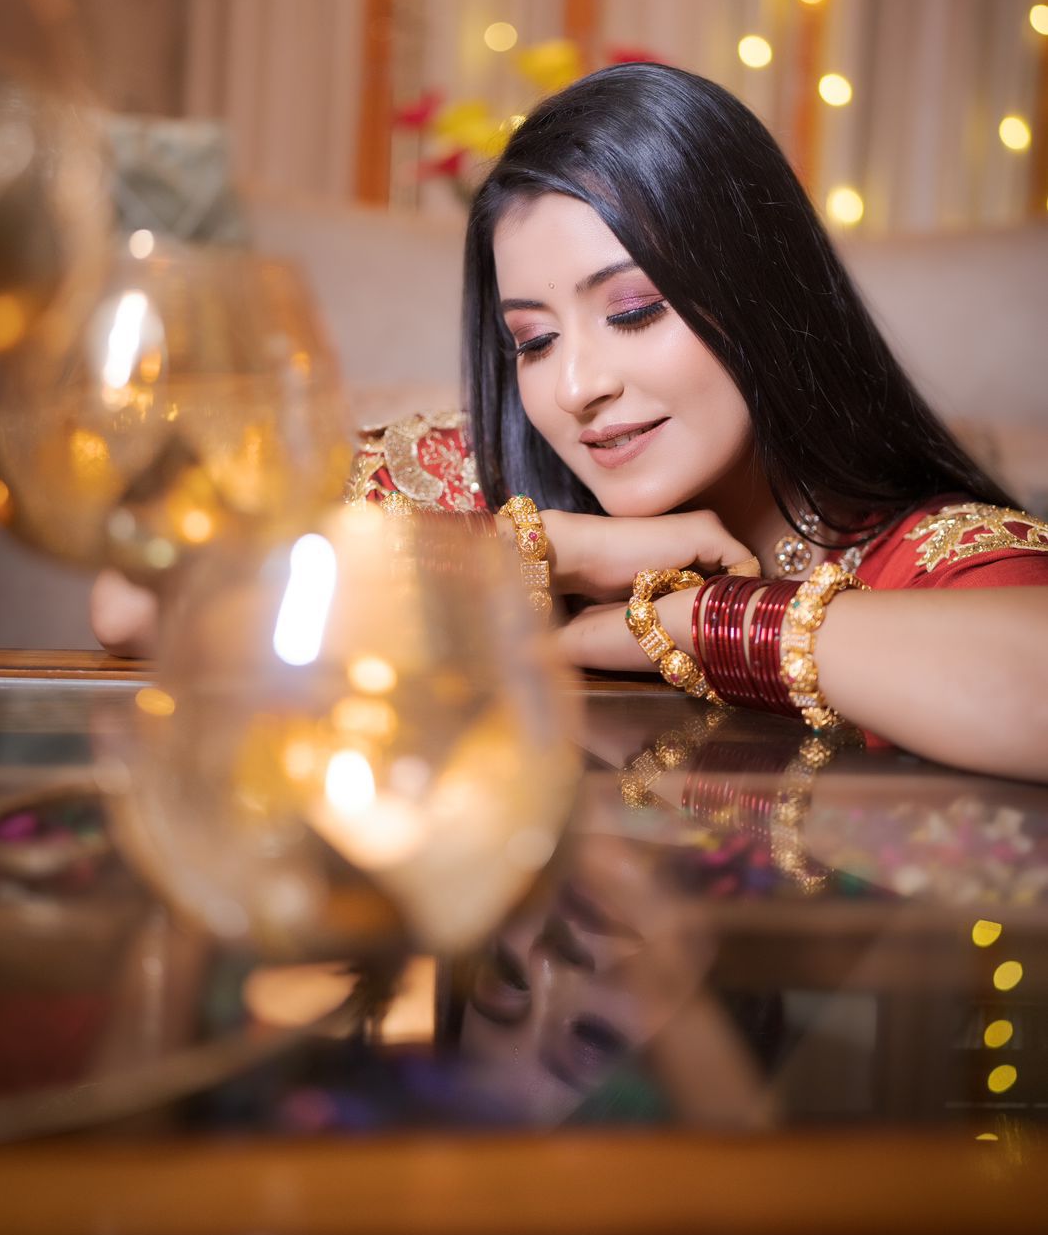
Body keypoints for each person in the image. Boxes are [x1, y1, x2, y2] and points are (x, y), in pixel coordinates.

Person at [93, 64, 1048, 779]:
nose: (576, 387)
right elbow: (134, 594)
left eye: (633, 312)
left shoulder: (922, 554)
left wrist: (688, 621)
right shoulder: (493, 481)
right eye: (534, 341)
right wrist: (555, 551)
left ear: (759, 293)